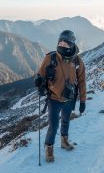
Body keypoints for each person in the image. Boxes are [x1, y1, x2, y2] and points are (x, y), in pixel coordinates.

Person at [34, 30, 86, 163]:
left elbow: (81, 81)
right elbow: (40, 75)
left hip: (69, 98)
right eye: (60, 42)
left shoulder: (78, 61)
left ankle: (64, 141)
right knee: (53, 125)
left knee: (66, 121)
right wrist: (39, 82)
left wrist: (82, 100)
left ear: (72, 44)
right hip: (54, 98)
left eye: (65, 43)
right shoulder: (50, 58)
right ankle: (49, 147)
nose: (62, 45)